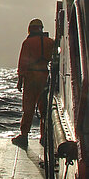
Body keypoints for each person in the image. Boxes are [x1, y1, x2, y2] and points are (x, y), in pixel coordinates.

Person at [12, 18, 55, 148]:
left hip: (30, 77)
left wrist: (20, 80)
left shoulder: (27, 43)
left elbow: (22, 62)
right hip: (44, 76)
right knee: (44, 109)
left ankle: (24, 136)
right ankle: (45, 137)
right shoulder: (50, 42)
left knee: (28, 108)